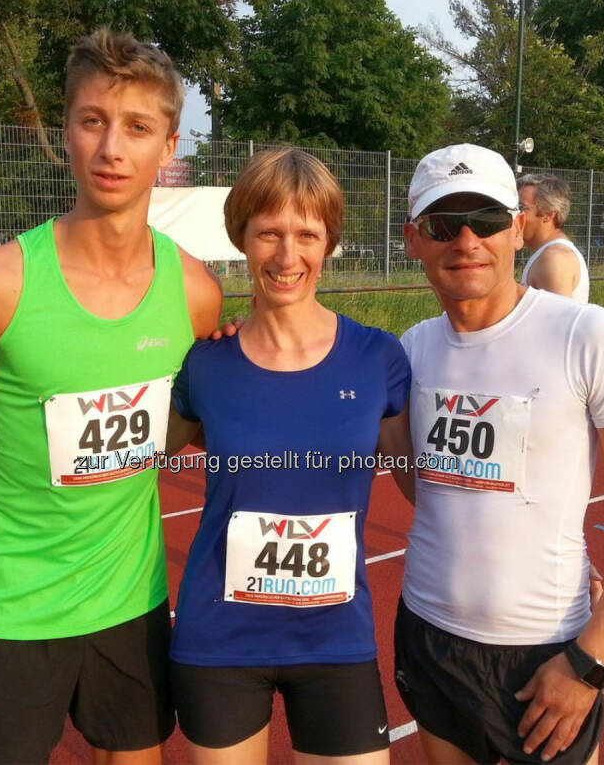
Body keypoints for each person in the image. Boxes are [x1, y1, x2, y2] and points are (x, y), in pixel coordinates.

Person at [0, 27, 221, 765]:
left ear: (167, 147)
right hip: (12, 611)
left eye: (137, 128)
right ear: (65, 132)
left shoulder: (195, 293)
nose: (112, 149)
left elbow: (174, 429)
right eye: (93, 121)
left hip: (130, 606)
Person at [388, 143, 604, 765]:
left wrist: (588, 662)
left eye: (487, 220)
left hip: (547, 650)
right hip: (429, 634)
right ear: (414, 239)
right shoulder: (408, 351)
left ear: (518, 230)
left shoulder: (587, 335)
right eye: (444, 223)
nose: (467, 240)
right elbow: (423, 483)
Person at [165, 147, 411, 764]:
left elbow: (429, 486)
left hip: (335, 638)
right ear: (241, 239)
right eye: (268, 233)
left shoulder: (378, 359)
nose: (287, 255)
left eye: (306, 234)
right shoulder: (204, 363)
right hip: (220, 638)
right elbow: (128, 458)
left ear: (329, 242)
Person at [517, 174, 590, 302]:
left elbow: (557, 320)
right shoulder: (547, 254)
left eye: (521, 208)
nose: (514, 214)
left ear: (548, 215)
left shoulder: (554, 259)